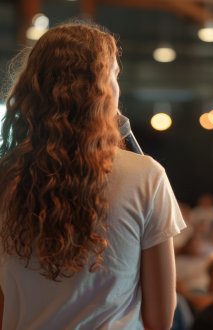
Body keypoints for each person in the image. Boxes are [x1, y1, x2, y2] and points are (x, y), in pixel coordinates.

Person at [0, 22, 186, 329]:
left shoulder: (7, 177)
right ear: (101, 89)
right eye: (114, 74)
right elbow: (161, 318)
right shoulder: (146, 177)